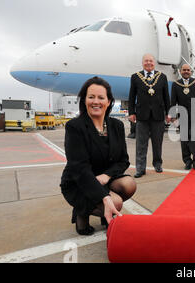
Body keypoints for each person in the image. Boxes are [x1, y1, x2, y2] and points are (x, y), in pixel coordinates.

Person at [60, 77, 137, 236]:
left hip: (104, 179)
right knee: (115, 201)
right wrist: (106, 198)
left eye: (101, 97)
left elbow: (123, 160)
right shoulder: (75, 127)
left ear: (109, 101)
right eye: (91, 97)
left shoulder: (117, 125)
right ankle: (82, 212)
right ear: (84, 100)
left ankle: (104, 214)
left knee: (129, 184)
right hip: (80, 181)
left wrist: (107, 175)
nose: (96, 101)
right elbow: (79, 168)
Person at [128, 54, 171, 178]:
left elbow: (166, 97)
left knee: (157, 143)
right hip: (142, 116)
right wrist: (131, 112)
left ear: (154, 63)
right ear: (142, 63)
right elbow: (131, 96)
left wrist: (169, 113)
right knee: (141, 144)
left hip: (158, 116)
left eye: (151, 61)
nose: (148, 63)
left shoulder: (162, 77)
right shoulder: (135, 77)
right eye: (146, 61)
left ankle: (157, 164)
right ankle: (140, 168)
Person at [168, 64, 195, 170]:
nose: (186, 71)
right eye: (184, 70)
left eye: (188, 70)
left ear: (191, 71)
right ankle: (187, 160)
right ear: (180, 71)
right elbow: (173, 101)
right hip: (182, 116)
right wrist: (173, 116)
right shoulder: (176, 84)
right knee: (184, 140)